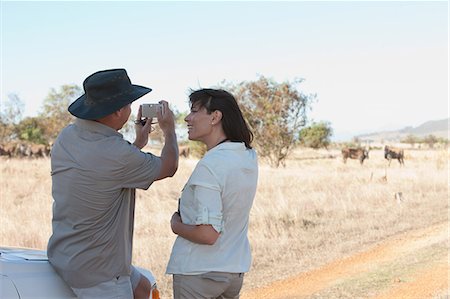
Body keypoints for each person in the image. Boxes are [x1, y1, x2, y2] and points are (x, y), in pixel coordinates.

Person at [47, 68, 178, 299]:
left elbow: (104, 169)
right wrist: (169, 131)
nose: (130, 109)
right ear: (118, 111)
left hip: (67, 254)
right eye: (128, 104)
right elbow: (169, 167)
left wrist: (137, 143)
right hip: (99, 272)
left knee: (142, 288)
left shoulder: (67, 136)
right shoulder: (117, 154)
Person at [166, 88, 259, 299]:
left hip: (199, 274)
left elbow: (208, 234)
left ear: (215, 117)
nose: (187, 118)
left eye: (194, 111)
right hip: (233, 271)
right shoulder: (247, 157)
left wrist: (175, 225)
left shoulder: (211, 165)